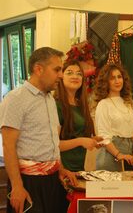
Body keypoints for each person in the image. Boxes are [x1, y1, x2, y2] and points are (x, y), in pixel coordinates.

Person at [0, 47, 77, 213]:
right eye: (57, 69)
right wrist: (17, 186)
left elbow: (52, 141)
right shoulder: (15, 99)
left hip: (53, 181)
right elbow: (8, 145)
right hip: (28, 182)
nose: (61, 75)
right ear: (38, 69)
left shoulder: (50, 99)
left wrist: (60, 168)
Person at [54, 60, 103, 171]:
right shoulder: (57, 106)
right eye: (70, 73)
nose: (75, 76)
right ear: (61, 77)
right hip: (63, 169)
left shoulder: (81, 105)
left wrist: (92, 140)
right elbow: (54, 145)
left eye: (79, 74)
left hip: (80, 168)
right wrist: (81, 141)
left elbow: (75, 135)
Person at [94, 63, 133, 171]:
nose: (117, 81)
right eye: (112, 78)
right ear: (106, 82)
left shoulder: (128, 102)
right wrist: (118, 154)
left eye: (119, 77)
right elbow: (103, 136)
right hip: (109, 155)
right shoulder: (103, 104)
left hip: (128, 154)